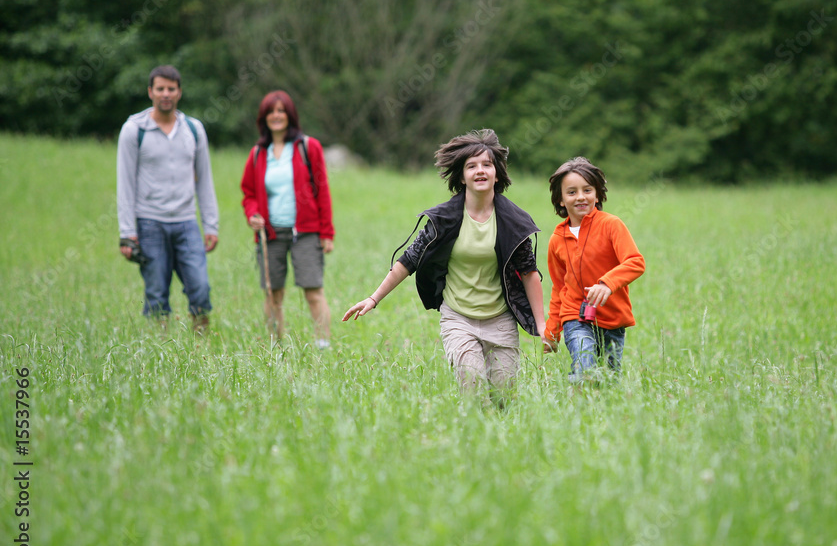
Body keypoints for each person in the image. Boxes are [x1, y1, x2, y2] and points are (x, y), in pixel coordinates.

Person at [342, 129, 546, 399]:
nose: (480, 171)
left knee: (503, 399)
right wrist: (373, 298)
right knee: (472, 386)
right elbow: (409, 259)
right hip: (459, 317)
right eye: (472, 166)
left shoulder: (513, 221)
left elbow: (529, 273)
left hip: (501, 320)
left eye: (487, 164)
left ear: (497, 173)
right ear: (462, 176)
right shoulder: (444, 219)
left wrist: (542, 326)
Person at [117, 65, 219, 332]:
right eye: (160, 88)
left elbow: (204, 180)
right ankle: (160, 348)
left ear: (179, 92)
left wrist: (211, 225)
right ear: (150, 92)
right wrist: (127, 233)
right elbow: (125, 183)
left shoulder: (194, 130)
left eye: (171, 89)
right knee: (156, 292)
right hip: (149, 222)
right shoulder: (133, 130)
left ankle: (201, 345)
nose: (166, 94)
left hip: (186, 222)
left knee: (200, 288)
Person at [241, 90, 335, 348]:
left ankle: (322, 346)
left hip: (305, 232)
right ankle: (275, 346)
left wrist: (327, 233)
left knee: (313, 291)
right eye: (271, 111)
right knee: (273, 295)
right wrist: (252, 214)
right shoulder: (258, 153)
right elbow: (248, 193)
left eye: (281, 111)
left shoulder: (308, 147)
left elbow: (322, 190)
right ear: (264, 118)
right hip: (270, 234)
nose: (276, 116)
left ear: (290, 115)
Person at [542, 157, 645, 382]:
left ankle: (595, 414)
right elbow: (559, 288)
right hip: (574, 316)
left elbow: (635, 262)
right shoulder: (556, 240)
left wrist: (607, 283)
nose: (580, 196)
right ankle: (575, 404)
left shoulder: (611, 225)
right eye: (571, 192)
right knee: (585, 366)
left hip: (612, 319)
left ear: (597, 195)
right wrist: (552, 330)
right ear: (560, 200)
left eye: (587, 190)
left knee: (607, 380)